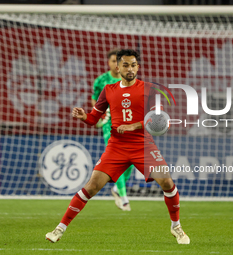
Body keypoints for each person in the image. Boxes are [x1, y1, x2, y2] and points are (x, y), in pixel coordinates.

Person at [45, 49, 190, 245]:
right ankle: (59, 229)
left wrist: (134, 125)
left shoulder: (148, 89)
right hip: (116, 147)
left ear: (138, 67)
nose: (130, 69)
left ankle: (176, 227)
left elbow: (160, 120)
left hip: (142, 145)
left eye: (133, 65)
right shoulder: (108, 90)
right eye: (125, 65)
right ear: (117, 67)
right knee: (92, 186)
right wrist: (84, 117)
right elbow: (95, 118)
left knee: (166, 181)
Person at [91, 48, 134, 211]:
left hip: (128, 124)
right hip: (110, 126)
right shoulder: (101, 80)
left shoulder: (129, 79)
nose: (116, 64)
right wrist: (98, 116)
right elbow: (95, 100)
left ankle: (116, 189)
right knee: (119, 159)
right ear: (109, 63)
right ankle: (123, 197)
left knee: (130, 161)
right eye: (113, 61)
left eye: (119, 61)